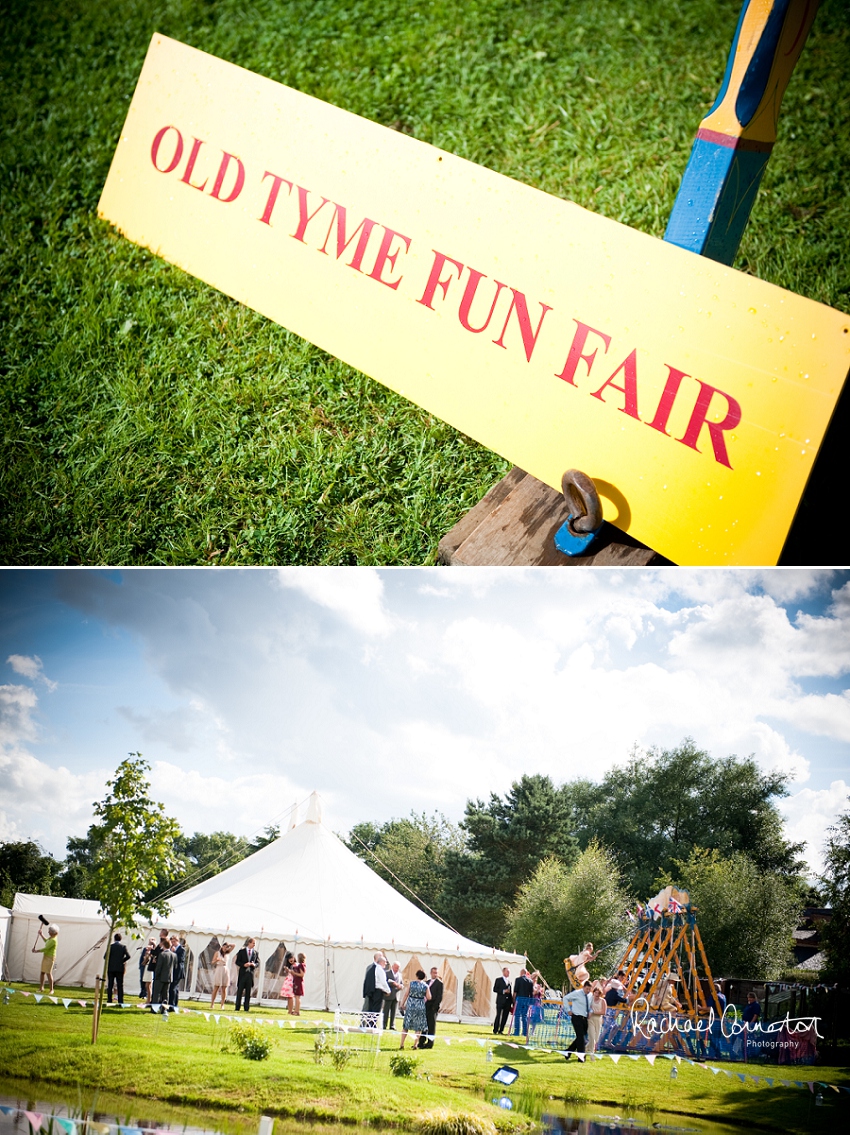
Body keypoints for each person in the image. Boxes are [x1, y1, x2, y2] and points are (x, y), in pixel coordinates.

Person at [399, 969, 430, 1050]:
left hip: (411, 1005)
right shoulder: (425, 986)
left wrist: (402, 1004)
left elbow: (406, 994)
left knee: (406, 1025)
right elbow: (429, 997)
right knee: (418, 1027)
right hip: (420, 1005)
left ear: (417, 976)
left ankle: (402, 1044)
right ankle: (415, 1044)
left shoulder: (411, 983)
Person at [563, 981, 592, 1060]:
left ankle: (568, 1052)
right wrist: (568, 1009)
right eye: (587, 989)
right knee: (581, 1037)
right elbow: (565, 998)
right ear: (583, 987)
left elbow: (590, 1005)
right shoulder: (577, 993)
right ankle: (581, 1057)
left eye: (589, 989)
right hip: (576, 1017)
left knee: (581, 1037)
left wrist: (590, 1012)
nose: (588, 991)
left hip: (585, 1018)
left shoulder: (590, 995)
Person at [418, 966, 443, 1049]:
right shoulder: (427, 982)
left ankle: (430, 1043)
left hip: (432, 1007)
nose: (435, 974)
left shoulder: (439, 984)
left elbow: (439, 996)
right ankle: (421, 1041)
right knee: (424, 1024)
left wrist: (434, 1006)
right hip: (425, 1006)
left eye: (436, 973)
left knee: (431, 1025)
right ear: (431, 973)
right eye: (433, 972)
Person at [150, 938, 176, 1018]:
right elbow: (175, 966)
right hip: (169, 977)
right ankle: (164, 1009)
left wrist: (156, 976)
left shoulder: (162, 954)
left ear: (164, 945)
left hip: (160, 977)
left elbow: (158, 967)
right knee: (165, 995)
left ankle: (154, 1009)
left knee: (156, 994)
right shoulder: (174, 955)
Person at [32, 923, 59, 994]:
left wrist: (36, 951)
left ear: (53, 933)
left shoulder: (54, 940)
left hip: (50, 957)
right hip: (46, 956)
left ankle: (51, 989)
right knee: (42, 972)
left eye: (49, 931)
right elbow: (46, 941)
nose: (48, 932)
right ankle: (41, 988)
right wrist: (41, 934)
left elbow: (46, 949)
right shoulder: (51, 938)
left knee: (48, 973)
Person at [105, 932, 131, 1006]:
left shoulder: (110, 947)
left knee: (110, 984)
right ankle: (120, 1001)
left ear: (114, 939)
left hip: (111, 968)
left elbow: (105, 957)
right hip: (120, 968)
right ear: (121, 939)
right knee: (120, 985)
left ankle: (109, 1000)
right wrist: (122, 961)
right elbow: (128, 956)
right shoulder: (123, 947)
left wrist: (111, 960)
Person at [234, 938, 259, 1011]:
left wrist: (254, 964)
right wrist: (244, 964)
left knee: (248, 992)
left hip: (250, 974)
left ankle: (246, 1007)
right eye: (253, 943)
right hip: (242, 974)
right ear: (249, 943)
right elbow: (237, 962)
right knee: (240, 991)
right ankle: (237, 1007)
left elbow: (258, 963)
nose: (254, 945)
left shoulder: (255, 953)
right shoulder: (241, 951)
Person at [363, 952, 390, 1017]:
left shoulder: (373, 968)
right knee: (375, 1009)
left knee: (371, 1009)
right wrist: (388, 990)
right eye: (385, 962)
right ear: (381, 962)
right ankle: (372, 1024)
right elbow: (383, 982)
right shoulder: (379, 969)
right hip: (377, 991)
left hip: (372, 991)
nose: (386, 964)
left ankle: (370, 1023)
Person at [586, 980, 607, 1054]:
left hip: (598, 1020)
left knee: (596, 1039)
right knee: (591, 1037)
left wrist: (594, 1012)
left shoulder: (603, 1001)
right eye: (595, 992)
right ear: (593, 993)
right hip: (590, 1019)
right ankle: (591, 1053)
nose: (597, 994)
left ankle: (584, 1050)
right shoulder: (590, 999)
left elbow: (603, 1012)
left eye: (598, 993)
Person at [210, 942, 234, 1008]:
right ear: (222, 946)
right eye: (224, 947)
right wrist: (216, 960)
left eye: (227, 947)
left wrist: (229, 945)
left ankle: (222, 1004)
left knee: (224, 988)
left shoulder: (227, 953)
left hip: (225, 969)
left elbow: (234, 945)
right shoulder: (217, 953)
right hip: (219, 968)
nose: (225, 948)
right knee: (216, 987)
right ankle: (212, 1003)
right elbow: (212, 962)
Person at [512, 968, 534, 1037]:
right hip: (527, 999)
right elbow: (531, 993)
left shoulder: (518, 980)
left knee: (517, 1015)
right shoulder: (530, 981)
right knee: (524, 1016)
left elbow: (515, 991)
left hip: (519, 998)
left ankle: (517, 1031)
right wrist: (531, 1001)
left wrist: (513, 1000)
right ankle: (524, 1032)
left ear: (521, 973)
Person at [383, 961, 403, 1030]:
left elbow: (401, 983)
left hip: (396, 995)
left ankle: (392, 1025)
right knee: (386, 1011)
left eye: (398, 968)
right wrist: (393, 984)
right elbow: (385, 982)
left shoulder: (400, 975)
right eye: (395, 967)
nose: (396, 969)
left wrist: (400, 986)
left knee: (394, 1012)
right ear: (392, 966)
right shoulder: (387, 973)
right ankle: (384, 1024)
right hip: (389, 994)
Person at [492, 967, 513, 1035]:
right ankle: (495, 1029)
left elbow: (510, 993)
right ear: (503, 972)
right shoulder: (498, 980)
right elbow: (495, 989)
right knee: (498, 1015)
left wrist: (512, 1001)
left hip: (507, 1002)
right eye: (507, 971)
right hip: (500, 1001)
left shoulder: (509, 982)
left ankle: (501, 1030)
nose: (508, 973)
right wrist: (503, 991)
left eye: (509, 972)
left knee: (505, 1016)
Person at [169, 935, 185, 1008]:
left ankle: (172, 1005)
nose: (172, 943)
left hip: (178, 971)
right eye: (171, 942)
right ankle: (174, 1004)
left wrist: (174, 953)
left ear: (177, 941)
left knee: (173, 987)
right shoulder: (171, 948)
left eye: (174, 941)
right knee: (175, 988)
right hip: (173, 970)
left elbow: (180, 960)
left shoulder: (182, 949)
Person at [139, 938, 156, 1003]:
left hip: (150, 970)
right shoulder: (147, 952)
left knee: (148, 985)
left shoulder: (153, 953)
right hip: (146, 968)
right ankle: (148, 999)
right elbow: (143, 962)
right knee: (147, 985)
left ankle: (149, 1000)